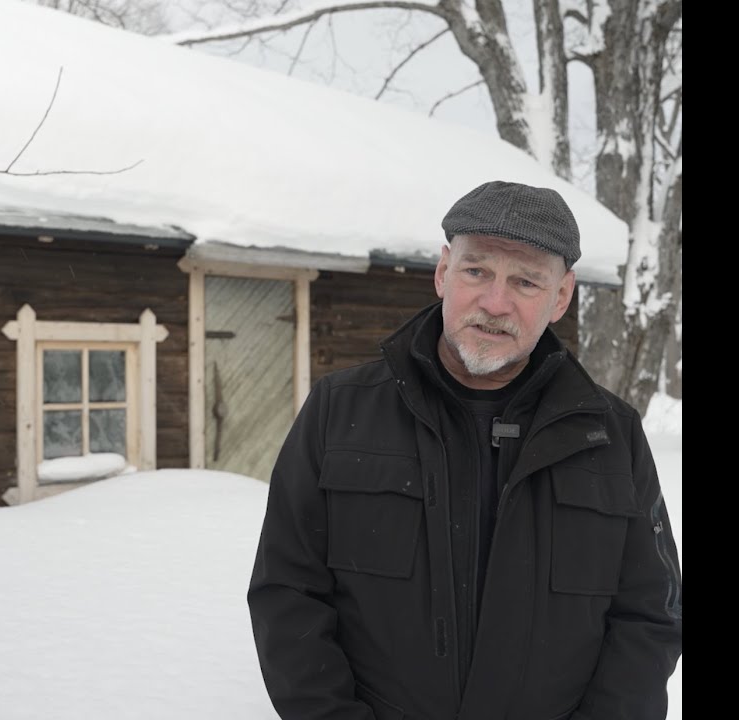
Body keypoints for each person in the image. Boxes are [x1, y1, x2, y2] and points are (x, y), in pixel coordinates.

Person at [246, 181, 683, 720]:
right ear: (442, 273)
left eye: (525, 281)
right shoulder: (340, 411)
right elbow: (287, 594)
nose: (495, 303)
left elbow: (649, 617)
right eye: (477, 271)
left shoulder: (611, 435)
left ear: (561, 296)